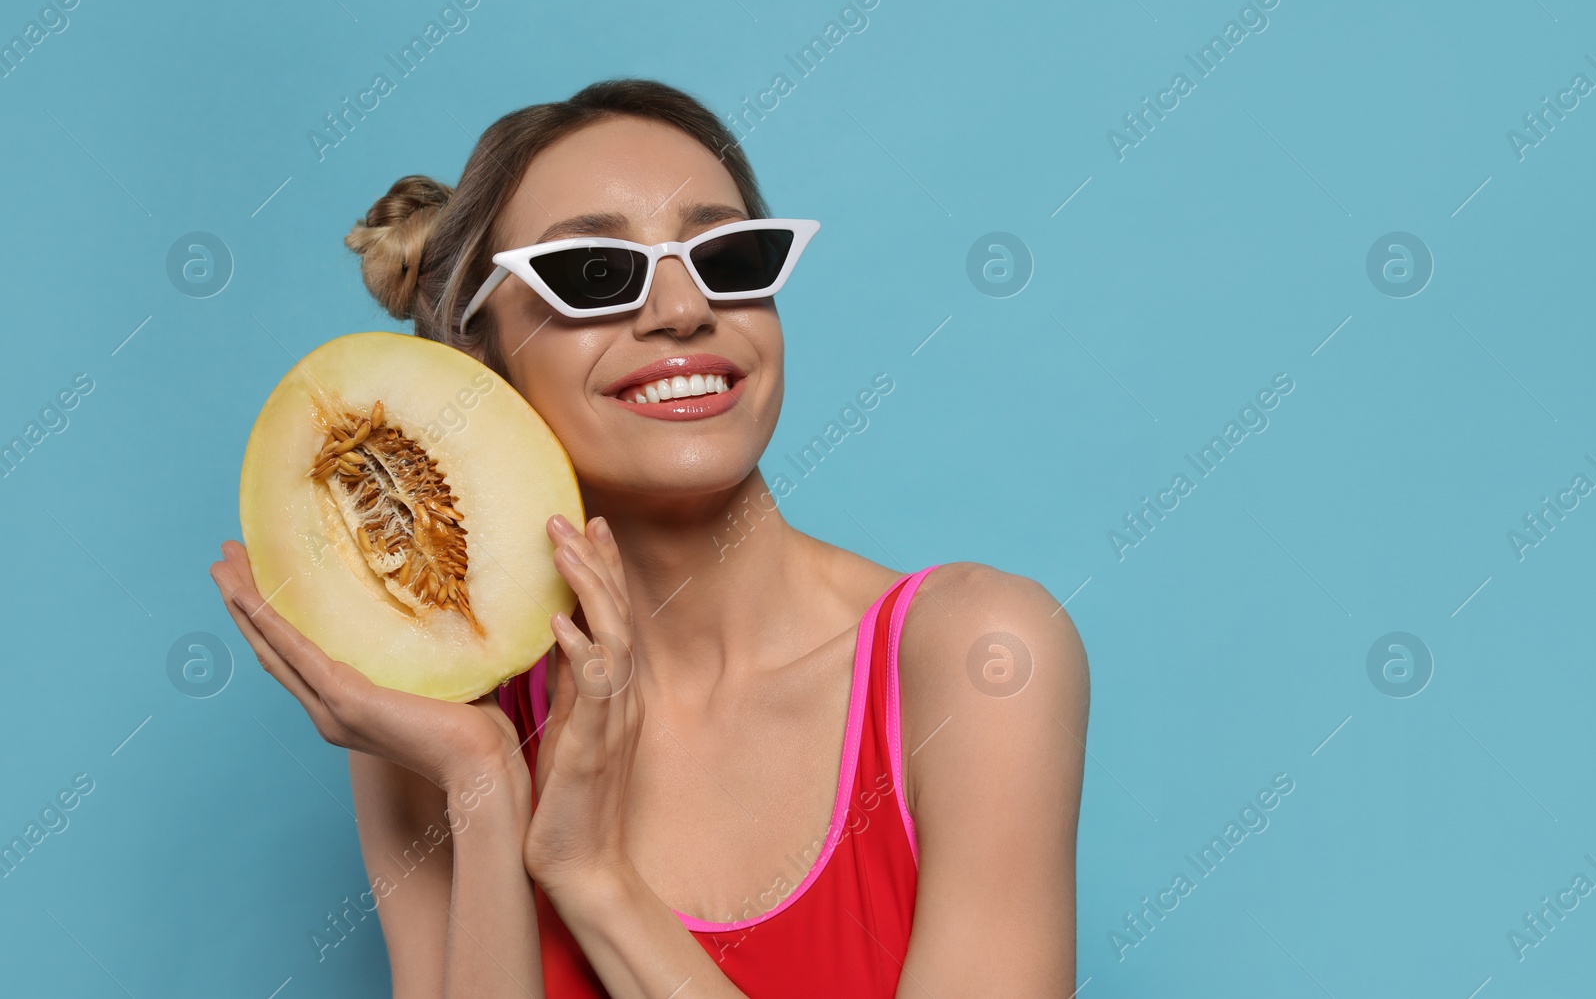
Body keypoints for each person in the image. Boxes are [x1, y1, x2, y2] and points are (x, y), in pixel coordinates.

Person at [210, 77, 1089, 997]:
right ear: (478, 355)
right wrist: (480, 785)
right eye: (596, 271)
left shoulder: (975, 658)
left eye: (730, 257)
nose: (682, 309)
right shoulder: (442, 725)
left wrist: (593, 877)